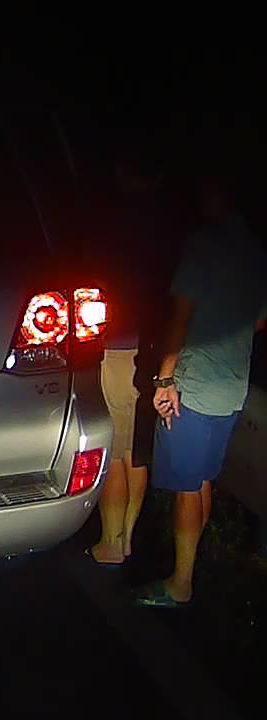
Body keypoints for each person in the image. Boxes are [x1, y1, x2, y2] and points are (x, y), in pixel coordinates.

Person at [135, 167, 267, 607]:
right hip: (232, 383)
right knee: (203, 480)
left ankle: (180, 585)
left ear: (217, 195)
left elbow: (179, 318)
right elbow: (259, 321)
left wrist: (165, 378)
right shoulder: (256, 251)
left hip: (194, 383)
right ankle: (190, 568)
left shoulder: (203, 246)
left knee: (187, 488)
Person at [87, 148, 175, 566]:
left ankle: (111, 541)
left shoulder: (112, 225)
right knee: (137, 451)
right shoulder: (166, 228)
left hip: (117, 348)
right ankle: (127, 539)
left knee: (116, 450)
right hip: (154, 351)